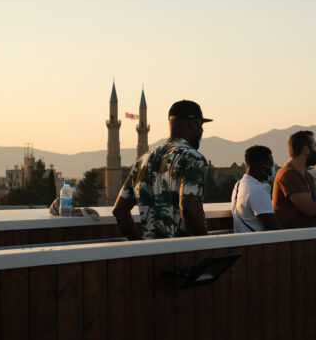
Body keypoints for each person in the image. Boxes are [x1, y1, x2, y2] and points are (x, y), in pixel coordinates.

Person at [111, 100, 212, 239]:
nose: (201, 130)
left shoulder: (143, 161)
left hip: (152, 256)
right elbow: (189, 209)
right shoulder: (193, 158)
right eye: (200, 125)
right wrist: (206, 244)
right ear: (192, 123)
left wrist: (140, 246)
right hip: (185, 254)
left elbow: (119, 210)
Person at [230, 145, 282, 233]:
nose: (273, 169)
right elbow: (275, 229)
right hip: (257, 245)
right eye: (271, 164)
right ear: (262, 166)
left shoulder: (238, 185)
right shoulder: (257, 190)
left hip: (243, 242)